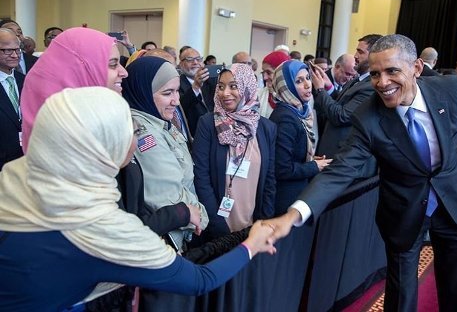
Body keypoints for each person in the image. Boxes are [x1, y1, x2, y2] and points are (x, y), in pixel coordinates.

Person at [267, 34, 457, 312]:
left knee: (453, 288)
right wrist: (293, 215)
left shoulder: (452, 90)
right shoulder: (368, 116)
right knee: (400, 294)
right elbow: (340, 171)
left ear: (416, 68)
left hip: (455, 205)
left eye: (392, 71)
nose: (382, 83)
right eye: (375, 74)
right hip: (403, 212)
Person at [0, 86, 277, 311]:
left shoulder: (11, 178)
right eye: (129, 132)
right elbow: (200, 280)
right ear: (102, 148)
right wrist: (251, 244)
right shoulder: (103, 226)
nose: (135, 140)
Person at [122, 56, 209, 250]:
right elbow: (167, 194)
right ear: (143, 92)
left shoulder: (159, 122)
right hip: (168, 240)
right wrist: (201, 215)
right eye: (167, 93)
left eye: (177, 91)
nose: (176, 101)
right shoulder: (144, 133)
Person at [192, 63, 276, 240]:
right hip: (217, 227)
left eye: (233, 86)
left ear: (248, 87)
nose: (225, 93)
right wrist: (216, 224)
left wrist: (263, 221)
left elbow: (269, 179)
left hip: (254, 226)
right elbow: (201, 176)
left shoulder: (266, 128)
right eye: (221, 87)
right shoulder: (208, 124)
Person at [269, 60, 331, 214]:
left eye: (308, 78)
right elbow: (282, 169)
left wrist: (310, 159)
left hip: (295, 193)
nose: (307, 85)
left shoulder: (299, 111)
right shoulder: (285, 118)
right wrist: (314, 166)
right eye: (298, 81)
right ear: (286, 86)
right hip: (285, 199)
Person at [0, 28, 24, 170]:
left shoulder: (26, 81)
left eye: (18, 50)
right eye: (7, 51)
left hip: (24, 162)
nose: (15, 55)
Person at [257, 50, 290, 118]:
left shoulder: (297, 99)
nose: (265, 77)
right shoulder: (258, 95)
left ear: (281, 74)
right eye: (263, 72)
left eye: (268, 73)